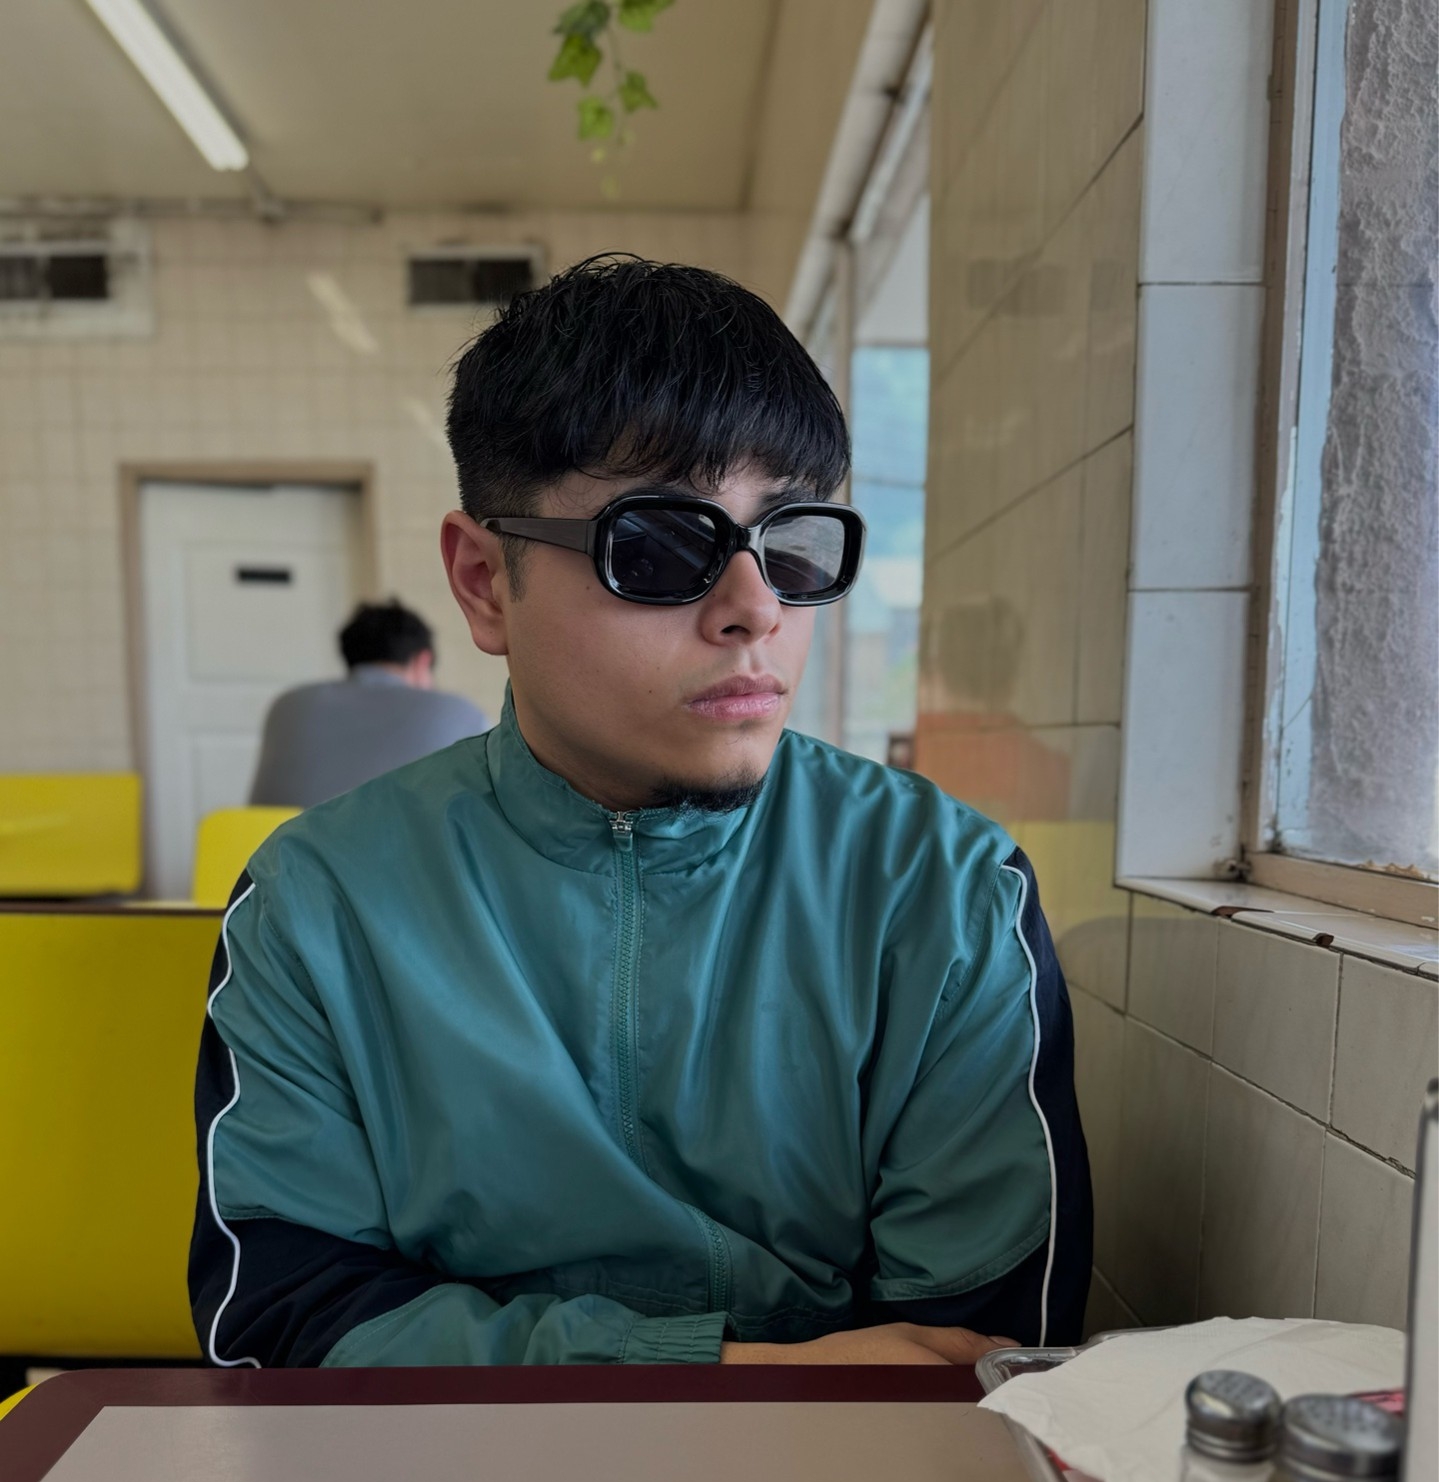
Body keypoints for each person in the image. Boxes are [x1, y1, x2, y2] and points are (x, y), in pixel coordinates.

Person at [189, 256, 1091, 1370]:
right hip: (441, 1477)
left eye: (792, 542)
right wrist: (728, 1373)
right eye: (659, 545)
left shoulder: (941, 895)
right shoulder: (318, 906)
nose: (755, 607)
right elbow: (282, 1320)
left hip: (834, 1481)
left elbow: (976, 1358)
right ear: (484, 582)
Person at [248, 599, 486, 808]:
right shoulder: (458, 712)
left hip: (275, 845)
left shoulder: (289, 707)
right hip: (404, 845)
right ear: (422, 661)